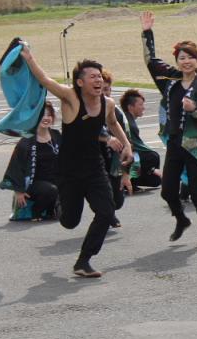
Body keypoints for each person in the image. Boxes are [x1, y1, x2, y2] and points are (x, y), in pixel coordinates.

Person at [18, 47, 132, 278]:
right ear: (80, 82)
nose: (98, 80)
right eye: (93, 77)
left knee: (107, 211)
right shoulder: (70, 98)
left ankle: (83, 260)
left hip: (94, 168)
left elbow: (112, 123)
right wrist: (30, 58)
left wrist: (126, 144)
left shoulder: (107, 103)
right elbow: (44, 80)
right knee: (70, 222)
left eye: (100, 76)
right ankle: (61, 203)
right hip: (68, 172)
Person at [140, 12, 197, 248]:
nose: (186, 61)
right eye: (182, 57)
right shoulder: (170, 82)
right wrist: (147, 32)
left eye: (190, 57)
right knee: (167, 192)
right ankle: (181, 219)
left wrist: (195, 106)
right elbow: (150, 60)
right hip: (175, 142)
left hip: (195, 145)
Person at [0, 100, 61, 221]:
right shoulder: (27, 140)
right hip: (34, 184)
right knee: (51, 190)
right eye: (42, 115)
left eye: (49, 115)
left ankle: (51, 209)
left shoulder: (56, 135)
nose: (46, 118)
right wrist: (18, 191)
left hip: (56, 179)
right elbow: (16, 166)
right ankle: (35, 211)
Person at [119, 88, 162, 190]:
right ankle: (131, 180)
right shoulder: (129, 123)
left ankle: (135, 179)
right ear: (130, 107)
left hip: (128, 155)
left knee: (156, 179)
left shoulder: (129, 119)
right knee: (152, 156)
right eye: (140, 105)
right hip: (124, 156)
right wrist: (151, 169)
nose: (143, 108)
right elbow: (135, 147)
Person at [100, 69, 127, 225]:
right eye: (102, 90)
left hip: (114, 159)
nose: (106, 93)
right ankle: (107, 216)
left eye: (108, 89)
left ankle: (110, 211)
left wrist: (127, 173)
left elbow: (125, 140)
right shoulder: (89, 110)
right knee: (103, 191)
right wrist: (106, 139)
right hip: (95, 157)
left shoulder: (117, 112)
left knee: (118, 200)